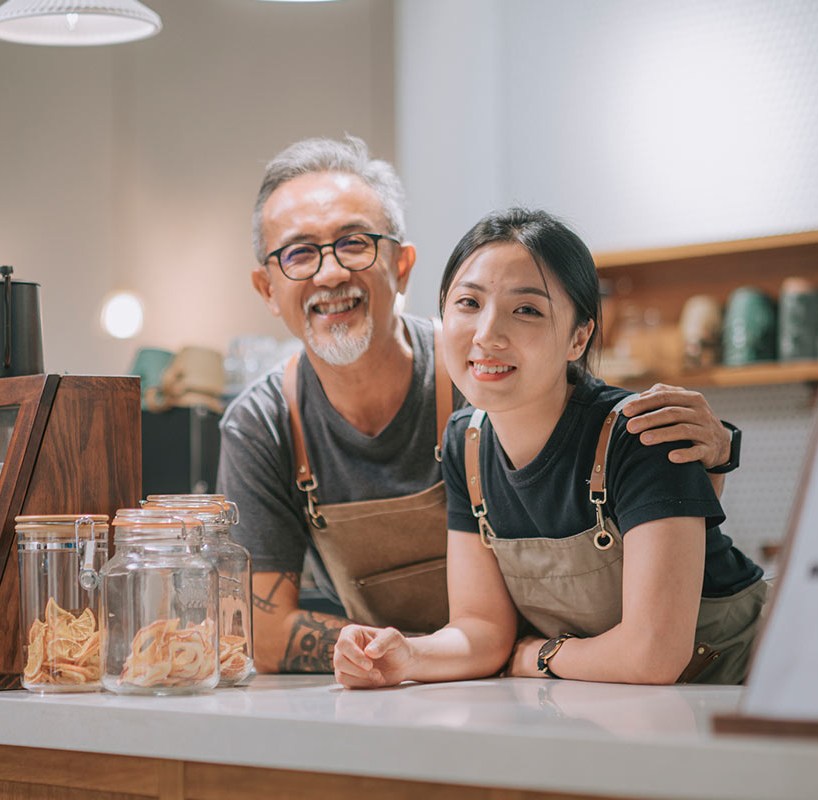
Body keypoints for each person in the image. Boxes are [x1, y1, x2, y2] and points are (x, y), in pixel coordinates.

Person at [217, 137, 741, 675]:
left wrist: (716, 457)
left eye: (354, 243)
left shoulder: (495, 379)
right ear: (265, 286)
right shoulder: (277, 426)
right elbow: (264, 630)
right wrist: (403, 656)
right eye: (300, 253)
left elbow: (653, 622)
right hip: (494, 685)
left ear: (402, 266)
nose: (329, 273)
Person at [333, 208, 767, 688]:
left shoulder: (642, 434)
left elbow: (654, 655)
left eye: (527, 310)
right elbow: (482, 629)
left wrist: (540, 655)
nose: (487, 335)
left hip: (752, 692)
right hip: (618, 710)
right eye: (468, 303)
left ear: (578, 336)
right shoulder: (467, 444)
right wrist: (406, 656)